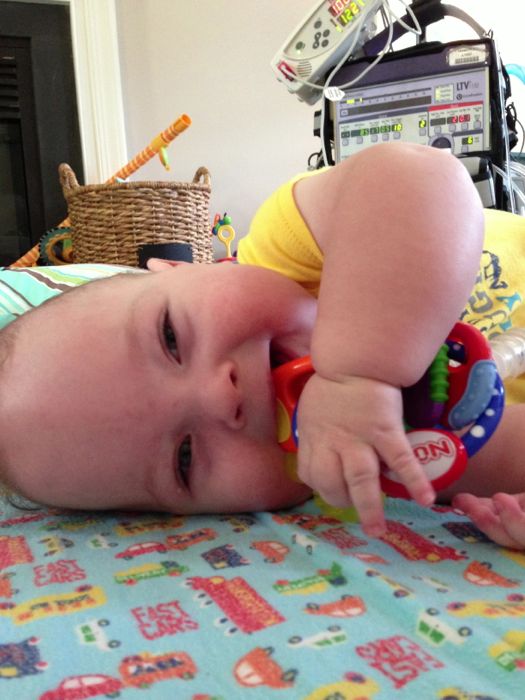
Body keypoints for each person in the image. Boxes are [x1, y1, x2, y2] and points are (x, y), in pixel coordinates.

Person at [1, 143, 525, 549]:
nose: (218, 398)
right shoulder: (356, 474)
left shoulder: (290, 247)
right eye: (184, 458)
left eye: (170, 337)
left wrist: (359, 375)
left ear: (181, 266)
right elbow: (496, 442)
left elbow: (422, 177)